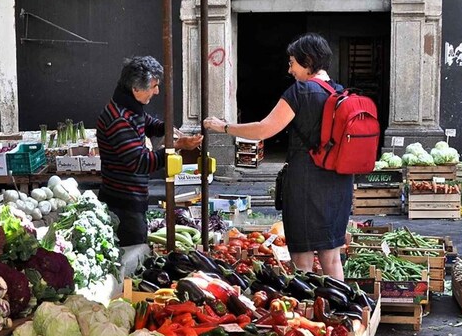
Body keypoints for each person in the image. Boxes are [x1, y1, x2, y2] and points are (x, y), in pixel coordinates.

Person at [203, 33, 352, 280]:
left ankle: (308, 311)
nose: (290, 69)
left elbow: (264, 129)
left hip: (306, 182)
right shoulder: (339, 92)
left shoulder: (301, 91)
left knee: (302, 255)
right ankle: (342, 311)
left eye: (293, 62)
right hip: (338, 182)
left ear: (308, 61)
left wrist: (224, 127)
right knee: (332, 255)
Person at [97, 56, 203, 246]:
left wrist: (167, 129)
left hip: (132, 199)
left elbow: (147, 123)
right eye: (153, 86)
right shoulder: (119, 119)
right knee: (133, 250)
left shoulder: (130, 106)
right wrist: (177, 146)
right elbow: (140, 162)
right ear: (135, 89)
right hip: (123, 204)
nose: (157, 91)